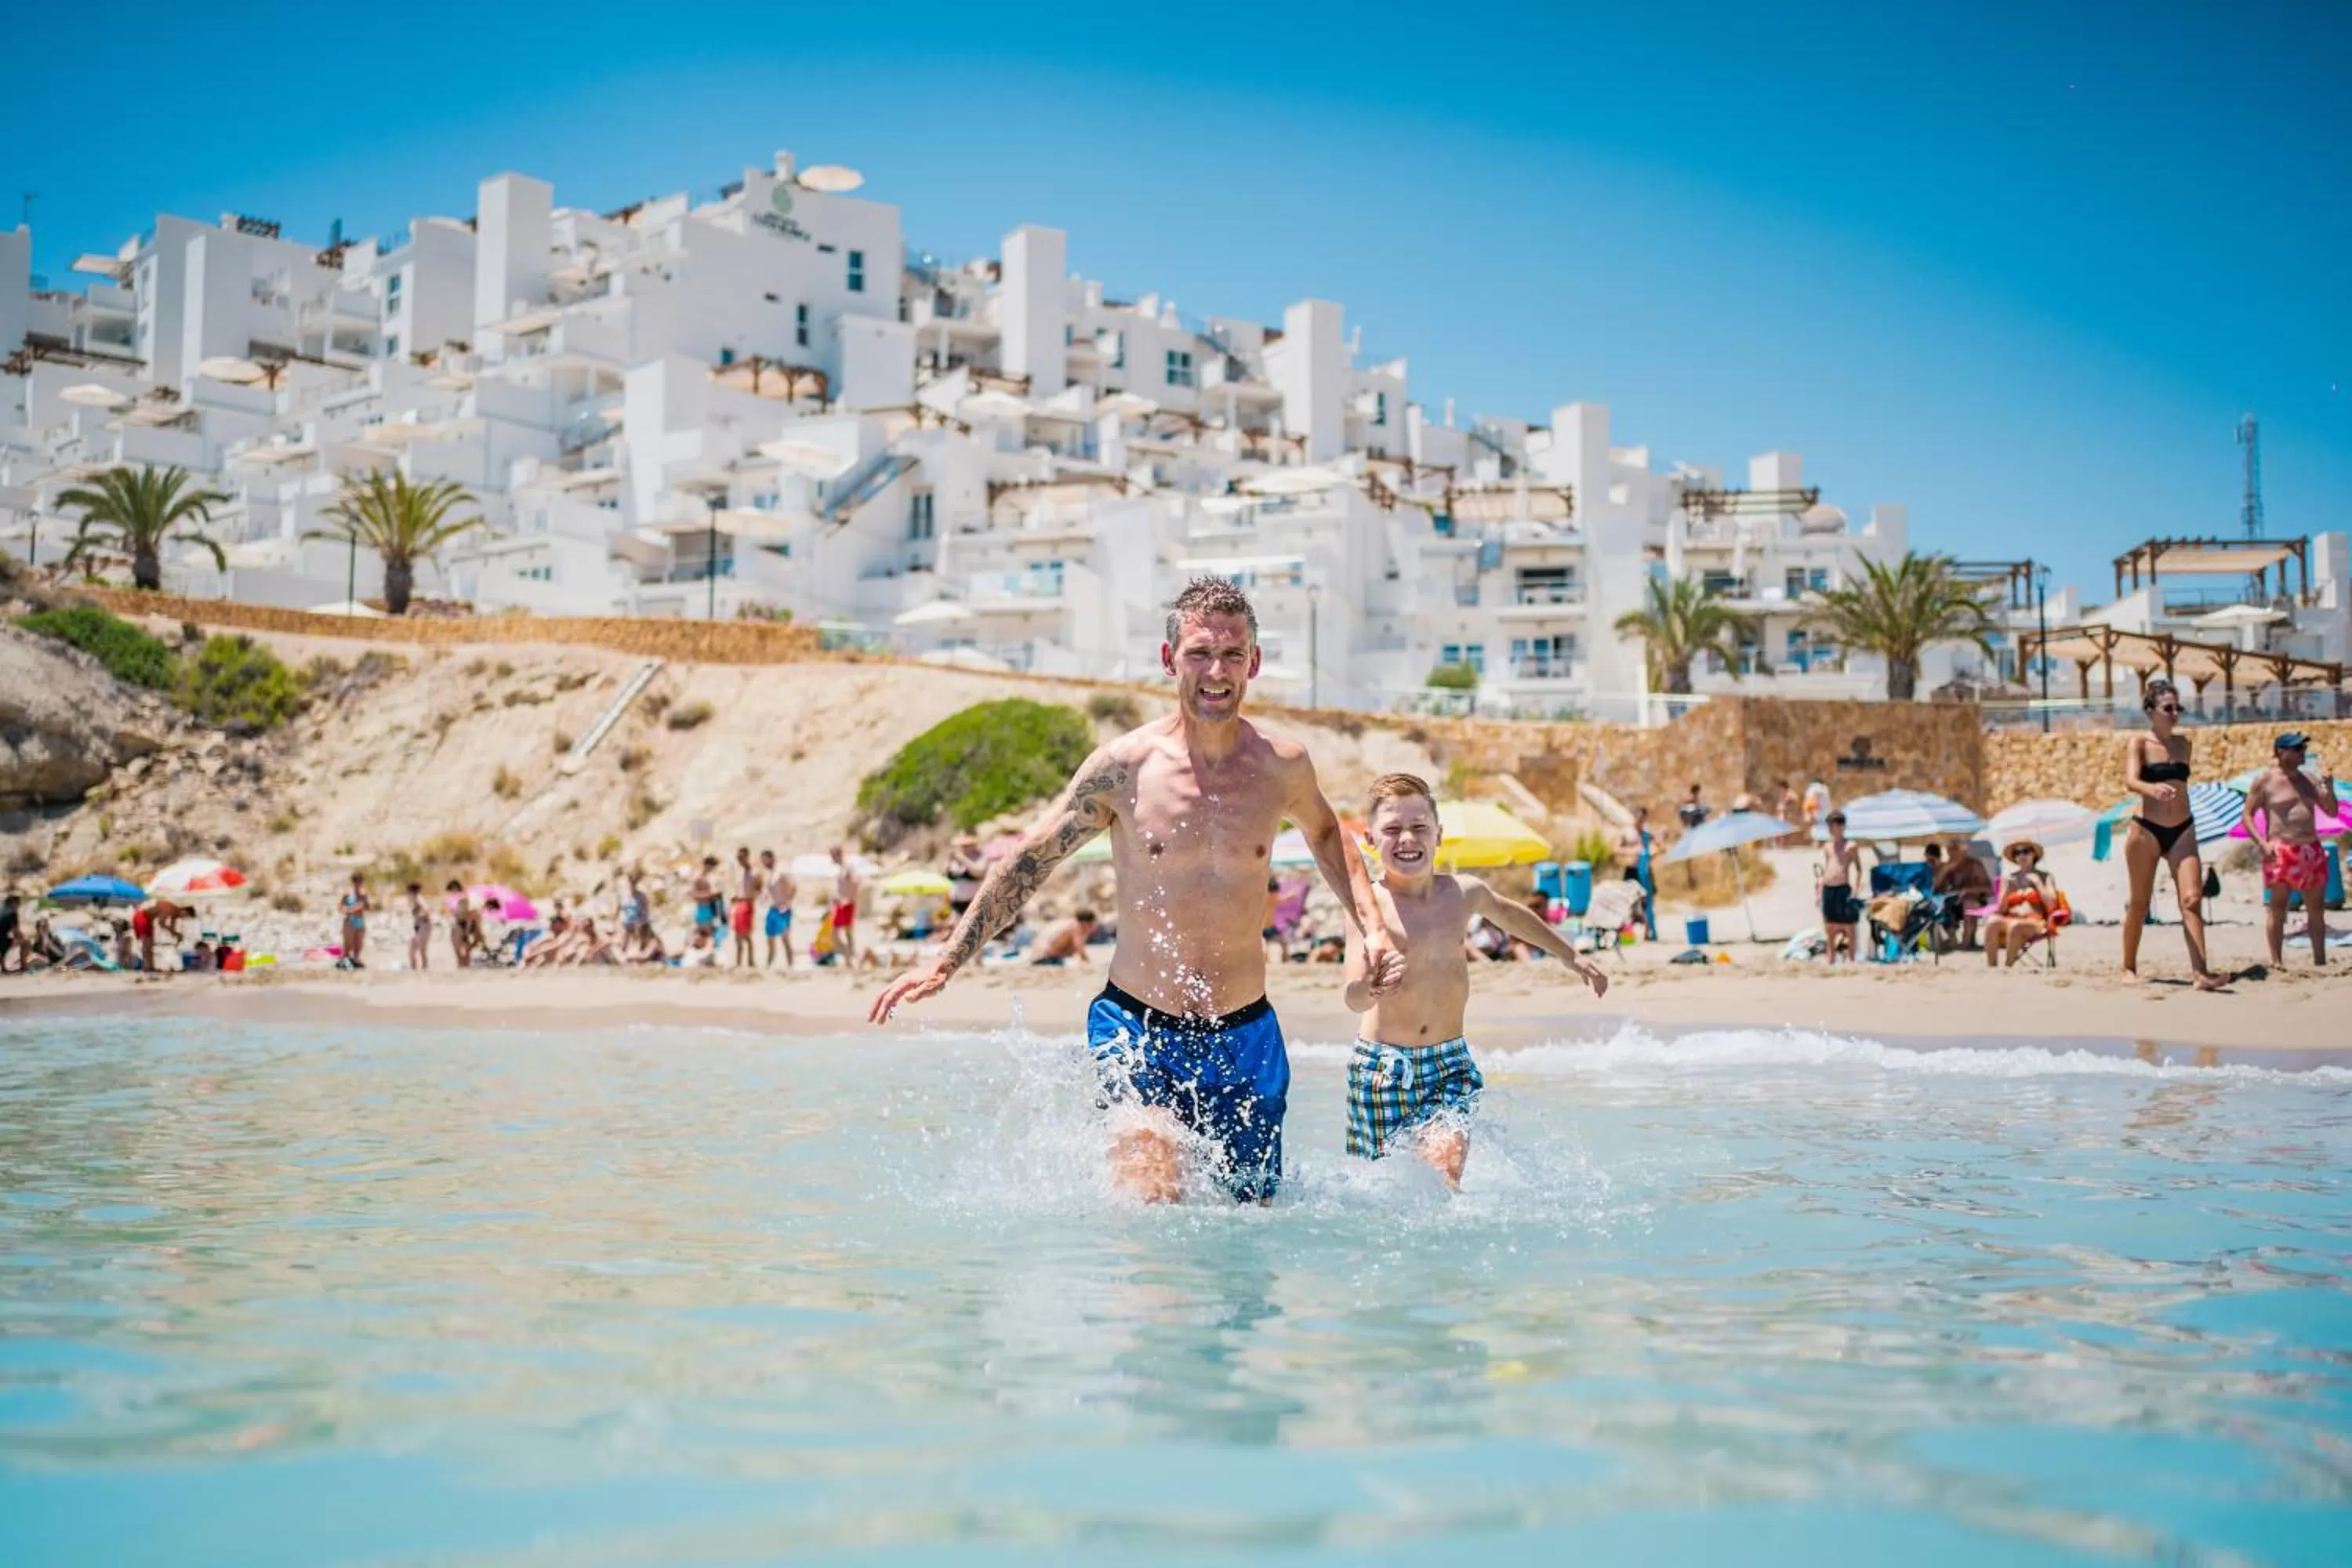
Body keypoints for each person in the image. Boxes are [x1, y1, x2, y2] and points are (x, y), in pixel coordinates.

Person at [868, 575, 1403, 1205]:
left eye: (1232, 654)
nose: (1216, 671)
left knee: (1249, 1223)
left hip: (1247, 1036)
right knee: (1151, 1195)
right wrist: (946, 961)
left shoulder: (1282, 766)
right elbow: (1031, 860)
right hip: (1138, 1029)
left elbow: (1328, 833)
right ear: (1169, 658)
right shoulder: (1123, 768)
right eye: (1200, 653)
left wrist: (1372, 928)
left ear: (1254, 663)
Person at [1345, 774, 1606, 1189]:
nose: (1407, 838)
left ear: (1439, 835)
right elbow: (1353, 997)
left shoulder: (1462, 893)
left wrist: (1569, 954)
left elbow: (1512, 916)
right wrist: (1369, 988)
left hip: (1449, 1063)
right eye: (1392, 829)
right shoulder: (1367, 907)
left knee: (1444, 1174)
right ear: (1371, 839)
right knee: (1379, 1190)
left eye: (1419, 827)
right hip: (1382, 1068)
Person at [2121, 677, 2225, 990]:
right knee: (2140, 903)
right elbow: (2130, 781)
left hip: (2183, 828)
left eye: (2179, 707)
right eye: (2168, 708)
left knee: (2192, 899)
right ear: (2150, 710)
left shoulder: (2184, 745)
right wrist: (2151, 789)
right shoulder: (2139, 743)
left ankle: (2201, 973)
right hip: (2146, 830)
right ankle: (2128, 967)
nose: (2175, 713)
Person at [2241, 731, 2339, 968]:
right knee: (2278, 908)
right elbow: (2247, 816)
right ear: (2280, 752)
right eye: (2296, 749)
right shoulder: (2266, 780)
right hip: (2281, 849)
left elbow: (2331, 811)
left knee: (2316, 909)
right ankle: (2276, 961)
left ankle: (2320, 960)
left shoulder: (2310, 780)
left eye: (2303, 749)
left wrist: (2329, 788)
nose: (2302, 753)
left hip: (2310, 848)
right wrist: (2262, 843)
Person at [1983, 840, 2070, 967]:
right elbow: (2001, 910)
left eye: (2025, 851)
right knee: (1992, 922)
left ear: (2034, 854)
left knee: (2016, 926)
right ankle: (1992, 967)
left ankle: (2008, 966)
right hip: (2011, 918)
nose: (2021, 856)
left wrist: (2038, 883)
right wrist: (2007, 891)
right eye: (2017, 853)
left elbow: (2051, 905)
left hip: (2035, 921)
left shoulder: (2045, 877)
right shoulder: (2008, 879)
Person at [1817, 810, 1863, 962]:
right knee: (1829, 924)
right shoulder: (1827, 846)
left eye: (1833, 826)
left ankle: (1851, 957)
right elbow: (1828, 865)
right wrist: (1820, 886)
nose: (1830, 829)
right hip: (1828, 887)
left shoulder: (1850, 846)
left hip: (1843, 887)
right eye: (1829, 826)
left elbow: (1858, 868)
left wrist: (1856, 889)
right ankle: (1830, 956)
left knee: (1848, 924)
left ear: (1841, 827)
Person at [1930, 839, 1991, 951]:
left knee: (1969, 903)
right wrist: (1945, 870)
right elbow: (1934, 889)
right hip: (1952, 902)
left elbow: (1988, 889)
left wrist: (1967, 890)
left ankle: (1966, 941)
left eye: (1954, 849)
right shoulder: (1946, 866)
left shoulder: (1974, 865)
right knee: (1936, 905)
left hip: (1974, 900)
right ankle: (1949, 940)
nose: (1951, 853)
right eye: (1949, 850)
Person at [1617, 804, 1659, 941]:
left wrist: (1653, 851)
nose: (1640, 819)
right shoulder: (1627, 833)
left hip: (1645, 870)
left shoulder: (1647, 833)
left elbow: (1658, 846)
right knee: (1629, 901)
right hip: (1632, 869)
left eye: (1643, 817)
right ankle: (1627, 933)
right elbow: (1616, 849)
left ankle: (1648, 932)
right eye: (1638, 817)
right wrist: (1632, 851)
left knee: (1647, 901)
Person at [760, 849, 797, 969]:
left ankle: (790, 964)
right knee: (770, 938)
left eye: (765, 860)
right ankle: (769, 964)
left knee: (785, 938)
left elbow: (793, 886)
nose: (764, 863)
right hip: (773, 908)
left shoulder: (781, 872)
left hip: (783, 909)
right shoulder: (770, 874)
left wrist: (787, 903)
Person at [944, 834, 989, 924]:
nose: (963, 848)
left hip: (973, 902)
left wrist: (963, 859)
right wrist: (948, 861)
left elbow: (979, 873)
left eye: (966, 845)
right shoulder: (955, 859)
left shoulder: (980, 857)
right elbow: (947, 875)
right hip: (956, 903)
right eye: (961, 846)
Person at [1030, 909, 1099, 965]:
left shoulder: (1069, 924)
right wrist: (1089, 963)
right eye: (1091, 924)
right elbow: (1080, 950)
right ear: (1085, 923)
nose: (1093, 927)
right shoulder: (1076, 927)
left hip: (1041, 957)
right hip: (1045, 958)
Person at [829, 847, 862, 964]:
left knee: (844, 933)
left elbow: (856, 883)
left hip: (846, 904)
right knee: (838, 934)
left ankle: (850, 958)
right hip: (842, 903)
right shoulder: (842, 869)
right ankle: (849, 956)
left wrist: (849, 898)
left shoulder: (847, 868)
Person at [729, 847, 759, 967]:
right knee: (738, 935)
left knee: (746, 935)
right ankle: (738, 962)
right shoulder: (739, 872)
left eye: (741, 857)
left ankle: (750, 961)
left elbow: (758, 889)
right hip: (739, 904)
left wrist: (750, 898)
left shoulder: (754, 873)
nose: (740, 860)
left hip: (747, 904)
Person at [445, 880, 484, 968]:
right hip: (461, 925)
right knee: (462, 953)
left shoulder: (462, 899)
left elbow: (468, 916)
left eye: (452, 890)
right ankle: (463, 970)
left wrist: (466, 932)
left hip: (463, 925)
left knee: (462, 953)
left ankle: (463, 969)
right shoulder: (457, 899)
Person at [339, 873, 371, 970]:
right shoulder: (348, 895)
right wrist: (351, 909)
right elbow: (341, 908)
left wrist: (363, 906)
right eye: (356, 882)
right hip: (350, 920)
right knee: (348, 942)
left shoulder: (363, 895)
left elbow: (368, 908)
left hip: (359, 920)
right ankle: (346, 959)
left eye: (359, 882)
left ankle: (356, 959)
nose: (358, 884)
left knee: (359, 942)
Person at [690, 857, 723, 942]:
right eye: (712, 867)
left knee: (711, 936)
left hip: (710, 908)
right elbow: (694, 895)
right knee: (703, 935)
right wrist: (710, 895)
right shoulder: (698, 878)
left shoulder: (708, 878)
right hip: (702, 909)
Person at [0, 892, 19, 975]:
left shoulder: (2, 910)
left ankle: (4, 968)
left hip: (2, 936)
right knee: (26, 942)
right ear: (14, 903)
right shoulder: (13, 913)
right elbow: (16, 930)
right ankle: (24, 966)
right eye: (18, 903)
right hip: (2, 937)